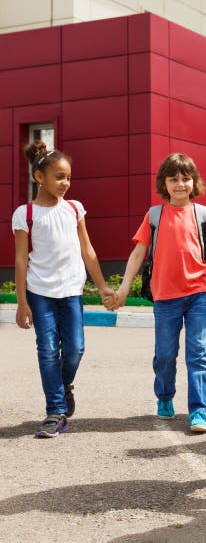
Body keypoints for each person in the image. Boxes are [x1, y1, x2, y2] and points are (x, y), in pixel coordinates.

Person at [12, 141, 114, 438]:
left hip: (71, 289)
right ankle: (55, 411)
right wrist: (21, 302)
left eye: (68, 177)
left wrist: (103, 286)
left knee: (75, 348)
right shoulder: (25, 213)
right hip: (39, 292)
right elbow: (20, 259)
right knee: (46, 351)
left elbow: (87, 249)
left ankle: (63, 384)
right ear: (39, 177)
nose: (65, 183)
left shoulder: (74, 208)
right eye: (58, 176)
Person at [113, 153, 206, 433]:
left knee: (199, 352)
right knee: (165, 354)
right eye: (174, 179)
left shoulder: (204, 215)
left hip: (198, 293)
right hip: (164, 297)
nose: (180, 184)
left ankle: (199, 410)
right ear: (164, 183)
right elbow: (138, 254)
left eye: (186, 178)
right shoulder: (155, 216)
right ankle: (165, 396)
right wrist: (124, 287)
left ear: (194, 182)